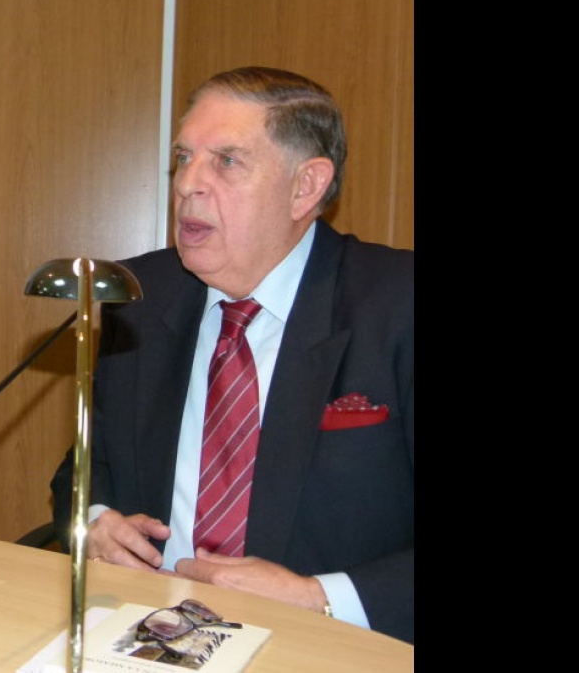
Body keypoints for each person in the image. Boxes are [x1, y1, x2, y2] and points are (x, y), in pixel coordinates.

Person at [49, 67, 414, 644]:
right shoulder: (138, 296)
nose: (189, 183)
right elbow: (82, 473)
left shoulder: (398, 305)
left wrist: (319, 599)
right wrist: (95, 523)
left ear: (306, 187)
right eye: (183, 157)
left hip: (337, 648)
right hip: (149, 634)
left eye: (225, 161)